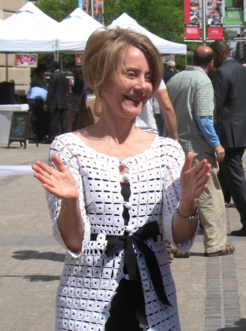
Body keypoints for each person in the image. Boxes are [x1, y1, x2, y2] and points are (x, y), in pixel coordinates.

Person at [32, 27, 211, 330]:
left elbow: (179, 238)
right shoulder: (68, 148)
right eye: (131, 74)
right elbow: (74, 241)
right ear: (101, 77)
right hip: (86, 307)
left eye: (148, 76)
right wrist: (70, 202)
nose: (142, 86)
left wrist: (187, 201)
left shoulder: (166, 151)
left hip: (155, 305)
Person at [167, 45, 235, 257]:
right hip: (197, 148)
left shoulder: (174, 79)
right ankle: (215, 244)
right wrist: (217, 144)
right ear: (212, 63)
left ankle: (174, 245)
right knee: (210, 194)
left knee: (176, 196)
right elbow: (203, 119)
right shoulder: (203, 81)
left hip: (174, 146)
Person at [210, 40, 246, 237]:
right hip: (243, 129)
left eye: (214, 56)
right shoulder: (244, 71)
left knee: (234, 177)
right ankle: (210, 219)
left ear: (220, 54)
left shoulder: (222, 72)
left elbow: (216, 103)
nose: (213, 61)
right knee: (224, 176)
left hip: (229, 132)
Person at [44, 61, 68, 143]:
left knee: (53, 122)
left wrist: (46, 103)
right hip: (63, 102)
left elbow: (51, 91)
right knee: (63, 122)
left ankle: (51, 138)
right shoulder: (63, 76)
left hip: (55, 103)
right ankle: (64, 138)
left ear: (53, 67)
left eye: (51, 67)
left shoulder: (54, 76)